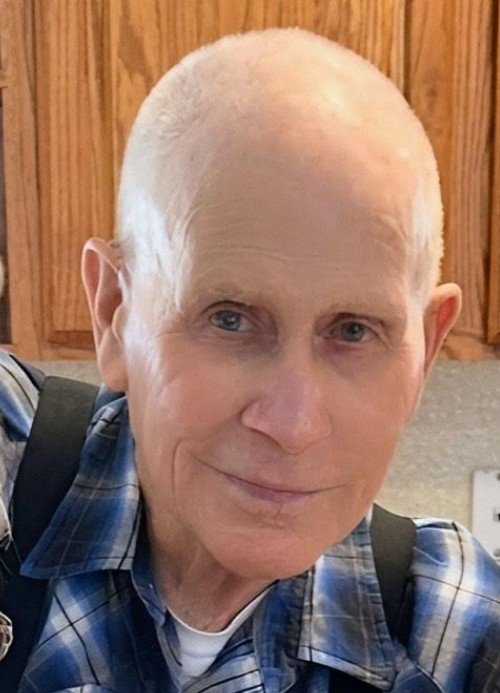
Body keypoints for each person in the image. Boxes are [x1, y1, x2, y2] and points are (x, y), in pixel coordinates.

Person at [1, 27, 499, 692]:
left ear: (426, 351)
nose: (292, 425)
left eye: (353, 331)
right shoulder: (13, 470)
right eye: (229, 318)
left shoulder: (454, 633)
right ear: (116, 312)